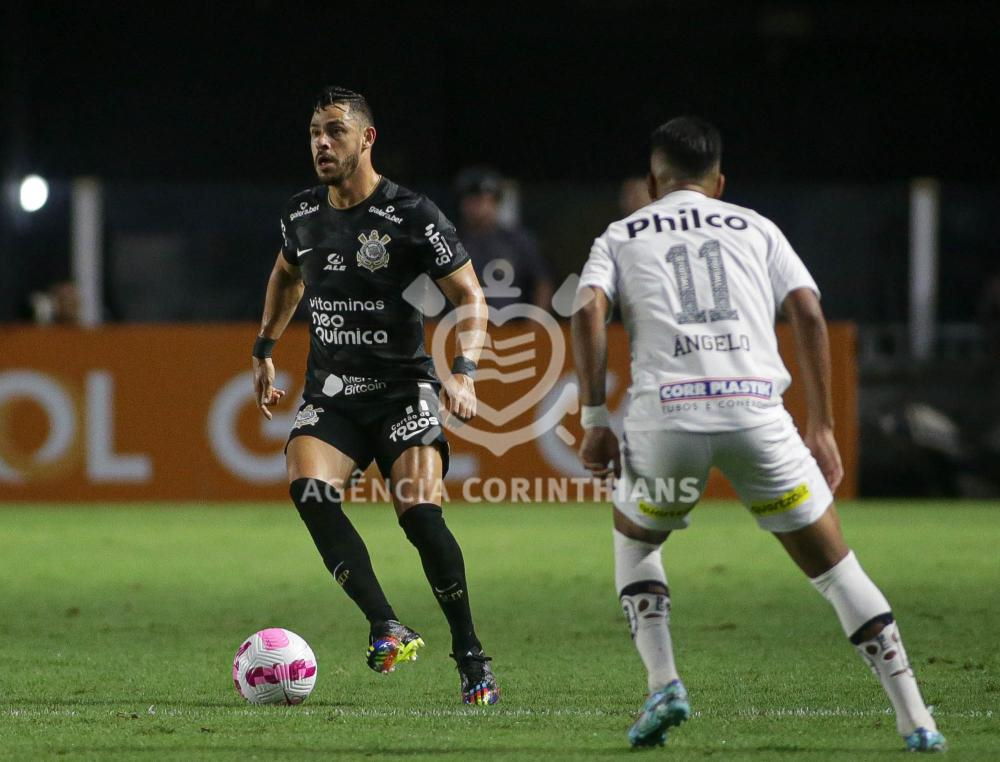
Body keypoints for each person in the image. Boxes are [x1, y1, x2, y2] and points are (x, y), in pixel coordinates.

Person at [571, 116, 945, 750]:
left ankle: (664, 683)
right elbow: (806, 309)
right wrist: (822, 424)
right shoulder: (757, 226)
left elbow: (586, 309)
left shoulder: (622, 232)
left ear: (653, 181)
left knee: (636, 543)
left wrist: (594, 420)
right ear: (719, 181)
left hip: (669, 417)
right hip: (756, 414)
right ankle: (917, 718)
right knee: (834, 568)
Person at [251, 86, 499, 705]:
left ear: (366, 139)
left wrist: (463, 370)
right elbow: (286, 275)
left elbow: (471, 296)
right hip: (332, 398)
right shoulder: (301, 214)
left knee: (419, 518)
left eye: (335, 131)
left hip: (401, 393)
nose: (321, 143)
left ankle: (471, 656)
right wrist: (263, 348)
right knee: (308, 491)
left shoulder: (412, 215)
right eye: (314, 133)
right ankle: (386, 624)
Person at [455, 166, 553, 311]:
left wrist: (536, 323)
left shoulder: (518, 241)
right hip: (459, 326)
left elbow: (542, 282)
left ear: (496, 202)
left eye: (483, 200)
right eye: (471, 200)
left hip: (511, 327)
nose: (477, 206)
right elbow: (430, 287)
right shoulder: (451, 241)